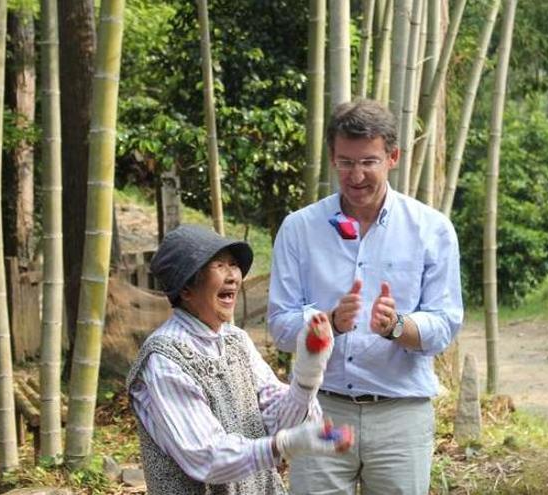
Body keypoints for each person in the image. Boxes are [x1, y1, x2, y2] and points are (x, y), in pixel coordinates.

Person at [268, 99, 464, 494]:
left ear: (393, 157)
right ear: (332, 158)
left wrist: (397, 327)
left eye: (368, 162)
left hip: (401, 413)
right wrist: (327, 323)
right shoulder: (299, 229)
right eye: (345, 162)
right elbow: (280, 326)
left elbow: (444, 325)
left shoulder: (432, 229)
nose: (356, 175)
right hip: (320, 408)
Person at [127, 224, 353, 494]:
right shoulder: (164, 359)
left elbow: (279, 420)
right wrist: (283, 445)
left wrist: (309, 370)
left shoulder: (236, 341)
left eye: (234, 265)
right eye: (219, 266)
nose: (233, 276)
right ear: (186, 289)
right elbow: (207, 457)